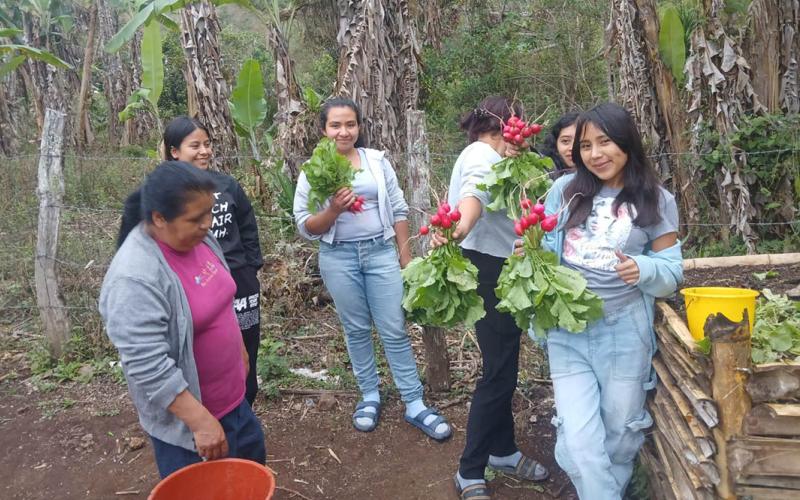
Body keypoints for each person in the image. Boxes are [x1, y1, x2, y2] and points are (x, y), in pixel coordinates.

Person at [540, 102, 683, 499]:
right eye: (586, 146)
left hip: (624, 332)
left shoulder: (656, 200)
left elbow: (671, 272)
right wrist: (529, 252)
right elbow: (541, 245)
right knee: (580, 444)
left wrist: (644, 270)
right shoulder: (563, 192)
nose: (595, 154)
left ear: (626, 142)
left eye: (604, 142)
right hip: (567, 331)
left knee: (620, 435)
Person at [292, 97, 451, 441]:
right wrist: (334, 209)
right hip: (338, 257)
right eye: (335, 125)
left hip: (380, 254)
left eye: (350, 124)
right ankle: (370, 396)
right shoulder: (312, 170)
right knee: (356, 329)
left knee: (394, 327)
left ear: (359, 127)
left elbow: (398, 208)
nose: (343, 131)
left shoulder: (376, 161)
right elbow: (305, 226)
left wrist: (404, 256)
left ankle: (413, 401)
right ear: (323, 129)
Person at [100, 161, 266, 479]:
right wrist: (200, 422)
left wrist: (239, 351)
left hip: (234, 402)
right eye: (196, 218)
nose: (209, 224)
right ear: (159, 218)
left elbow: (219, 297)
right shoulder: (134, 277)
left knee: (249, 473)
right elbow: (146, 365)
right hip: (192, 424)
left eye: (209, 213)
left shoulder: (199, 238)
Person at [435, 96, 550, 500]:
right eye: (517, 127)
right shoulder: (482, 156)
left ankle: (502, 450)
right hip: (489, 268)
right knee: (498, 374)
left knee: (503, 366)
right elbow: (474, 200)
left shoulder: (490, 155)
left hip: (497, 265)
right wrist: (459, 227)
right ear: (506, 125)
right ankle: (469, 469)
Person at [118, 117, 264, 405]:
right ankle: (200, 409)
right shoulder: (160, 192)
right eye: (194, 145)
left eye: (207, 145)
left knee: (246, 344)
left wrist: (248, 268)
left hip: (238, 280)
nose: (204, 151)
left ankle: (244, 402)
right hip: (192, 285)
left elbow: (247, 226)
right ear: (174, 151)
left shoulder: (227, 185)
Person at [538, 111, 579, 178]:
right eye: (565, 141)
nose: (572, 148)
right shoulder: (546, 170)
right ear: (555, 142)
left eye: (579, 142)